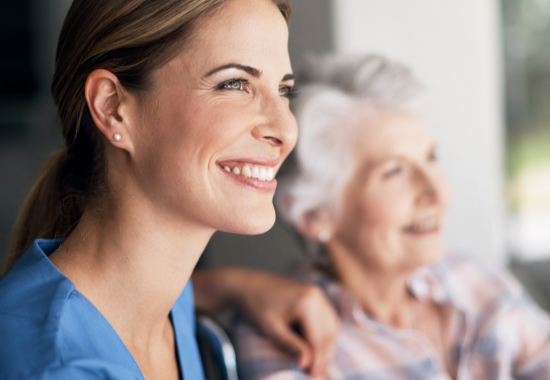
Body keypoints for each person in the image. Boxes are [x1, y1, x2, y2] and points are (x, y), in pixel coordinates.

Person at [0, 1, 339, 379]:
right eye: (235, 84)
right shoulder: (57, 368)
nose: (287, 130)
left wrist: (236, 286)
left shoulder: (162, 296)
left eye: (283, 90)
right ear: (112, 107)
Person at [235, 55, 550, 380]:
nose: (437, 192)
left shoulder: (474, 280)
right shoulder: (285, 340)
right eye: (394, 171)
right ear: (313, 215)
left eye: (431, 158)